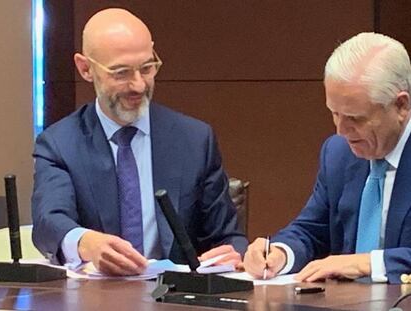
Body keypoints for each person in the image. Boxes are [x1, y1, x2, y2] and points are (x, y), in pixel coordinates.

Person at [31, 8, 247, 276]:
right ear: (85, 68)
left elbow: (228, 237)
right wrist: (86, 242)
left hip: (176, 298)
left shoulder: (194, 140)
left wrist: (232, 252)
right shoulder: (59, 144)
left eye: (146, 68)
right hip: (96, 297)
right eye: (121, 73)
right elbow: (48, 222)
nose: (138, 86)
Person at [244, 32, 411, 284]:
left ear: (401, 106)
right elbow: (312, 230)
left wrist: (369, 262)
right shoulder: (339, 153)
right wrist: (280, 252)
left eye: (355, 118)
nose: (341, 130)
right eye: (334, 113)